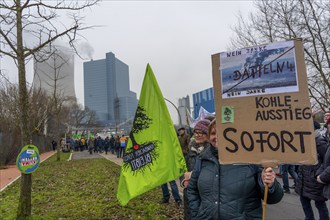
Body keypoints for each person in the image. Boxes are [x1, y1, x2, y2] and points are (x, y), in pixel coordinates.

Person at [187, 119, 283, 219]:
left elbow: (273, 198)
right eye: (213, 133)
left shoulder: (251, 159)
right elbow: (192, 190)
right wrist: (197, 214)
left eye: (222, 132)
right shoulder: (202, 159)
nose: (217, 137)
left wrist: (270, 185)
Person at [295, 121, 329, 220]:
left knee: (320, 204)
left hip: (316, 182)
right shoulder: (305, 141)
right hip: (303, 180)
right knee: (304, 202)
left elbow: (326, 162)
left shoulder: (321, 143)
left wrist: (318, 175)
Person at [182, 119, 211, 220]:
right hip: (189, 196)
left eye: (202, 132)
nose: (198, 135)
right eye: (196, 132)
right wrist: (184, 181)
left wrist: (193, 175)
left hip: (205, 196)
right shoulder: (191, 152)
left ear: (208, 134)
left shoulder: (212, 153)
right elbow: (184, 171)